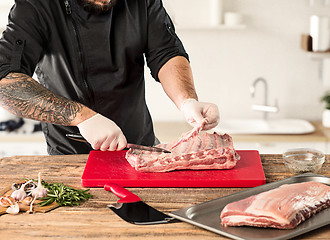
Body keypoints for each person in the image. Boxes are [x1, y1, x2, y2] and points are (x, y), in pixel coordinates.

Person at [0, 0, 219, 155]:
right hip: (71, 154)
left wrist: (186, 100)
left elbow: (166, 52)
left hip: (141, 147)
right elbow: (5, 81)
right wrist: (82, 117)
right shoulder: (36, 5)